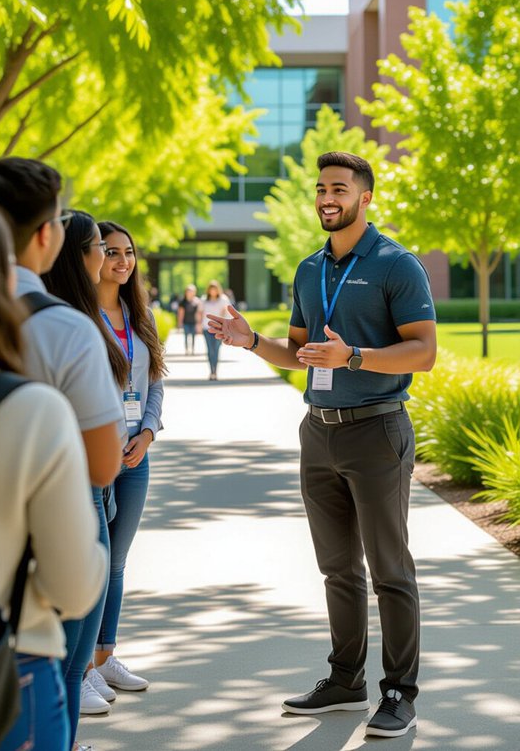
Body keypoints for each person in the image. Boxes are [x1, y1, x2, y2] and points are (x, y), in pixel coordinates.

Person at [207, 152, 437, 739]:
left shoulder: (397, 264)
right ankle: (344, 682)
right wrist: (252, 340)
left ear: (365, 198)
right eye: (320, 189)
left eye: (339, 188)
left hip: (377, 429)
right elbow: (300, 351)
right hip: (319, 431)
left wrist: (355, 356)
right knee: (338, 569)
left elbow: (423, 352)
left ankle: (398, 692)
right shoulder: (310, 270)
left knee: (390, 570)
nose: (326, 197)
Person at [0, 158, 125, 745]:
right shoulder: (65, 329)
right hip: (40, 552)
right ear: (45, 235)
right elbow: (104, 462)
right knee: (57, 669)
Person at [42, 212, 129, 730]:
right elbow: (101, 454)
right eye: (101, 246)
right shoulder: (72, 323)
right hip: (81, 484)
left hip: (57, 484)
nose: (110, 256)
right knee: (74, 644)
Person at [91, 220, 165, 693]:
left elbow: (155, 381)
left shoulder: (141, 314)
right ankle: (79, 670)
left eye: (129, 252)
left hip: (136, 455)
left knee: (116, 563)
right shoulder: (79, 314)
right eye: (111, 252)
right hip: (97, 455)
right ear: (93, 256)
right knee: (92, 560)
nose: (122, 261)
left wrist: (150, 433)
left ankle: (104, 658)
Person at [199, 280, 229, 380]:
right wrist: (198, 325)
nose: (213, 291)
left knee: (216, 350)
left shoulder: (223, 299)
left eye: (215, 289)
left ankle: (215, 371)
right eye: (211, 289)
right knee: (209, 350)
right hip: (206, 328)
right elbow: (200, 313)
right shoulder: (204, 299)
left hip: (219, 329)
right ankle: (211, 371)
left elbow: (227, 312)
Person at [177, 284, 201, 354]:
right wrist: (179, 323)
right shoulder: (182, 302)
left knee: (193, 336)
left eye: (192, 291)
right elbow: (180, 314)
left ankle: (193, 349)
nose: (190, 293)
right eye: (189, 291)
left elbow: (199, 313)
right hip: (186, 322)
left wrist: (199, 323)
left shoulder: (197, 301)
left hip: (194, 322)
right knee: (186, 336)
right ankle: (187, 350)